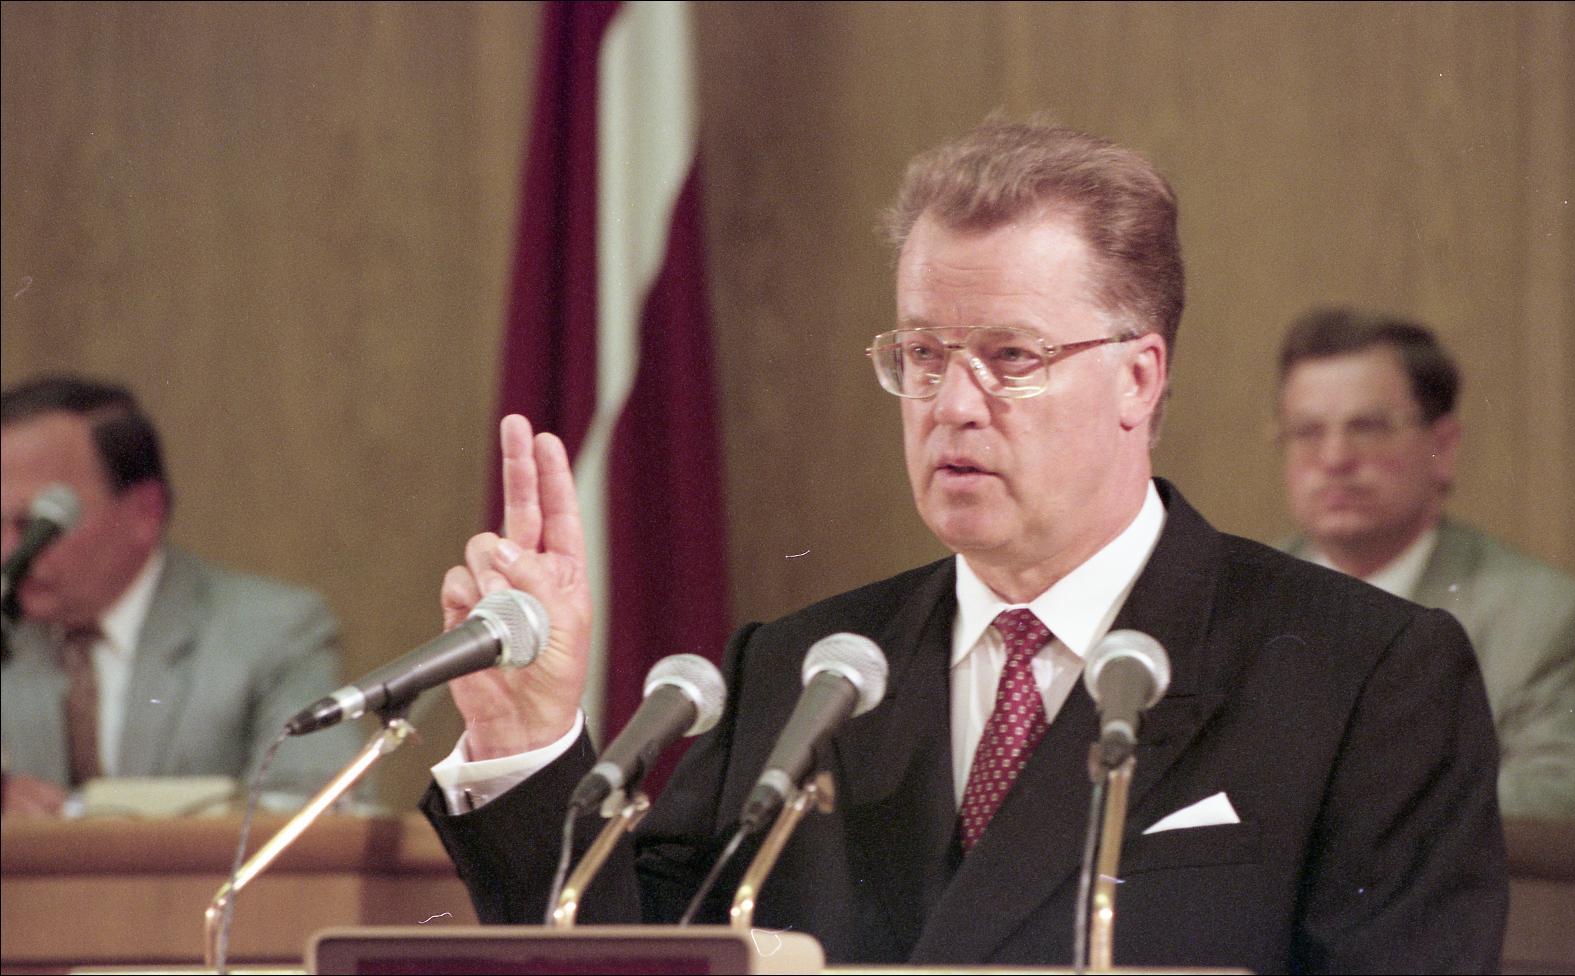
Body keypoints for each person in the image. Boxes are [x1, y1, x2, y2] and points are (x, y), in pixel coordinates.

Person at [423, 120, 1507, 971]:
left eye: (1011, 357)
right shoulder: (803, 674)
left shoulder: (1358, 675)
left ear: (1138, 377)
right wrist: (528, 739)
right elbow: (632, 963)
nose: (951, 403)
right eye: (923, 354)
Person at [1274, 307, 1575, 822]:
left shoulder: (1542, 617)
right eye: (1307, 431)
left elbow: (1560, 802)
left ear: (1442, 448)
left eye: (1368, 427)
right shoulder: (1229, 601)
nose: (1335, 458)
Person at [1, 375, 360, 815]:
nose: (8, 552)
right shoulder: (10, 626)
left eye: (35, 525)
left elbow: (321, 808)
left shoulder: (274, 631)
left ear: (144, 512)